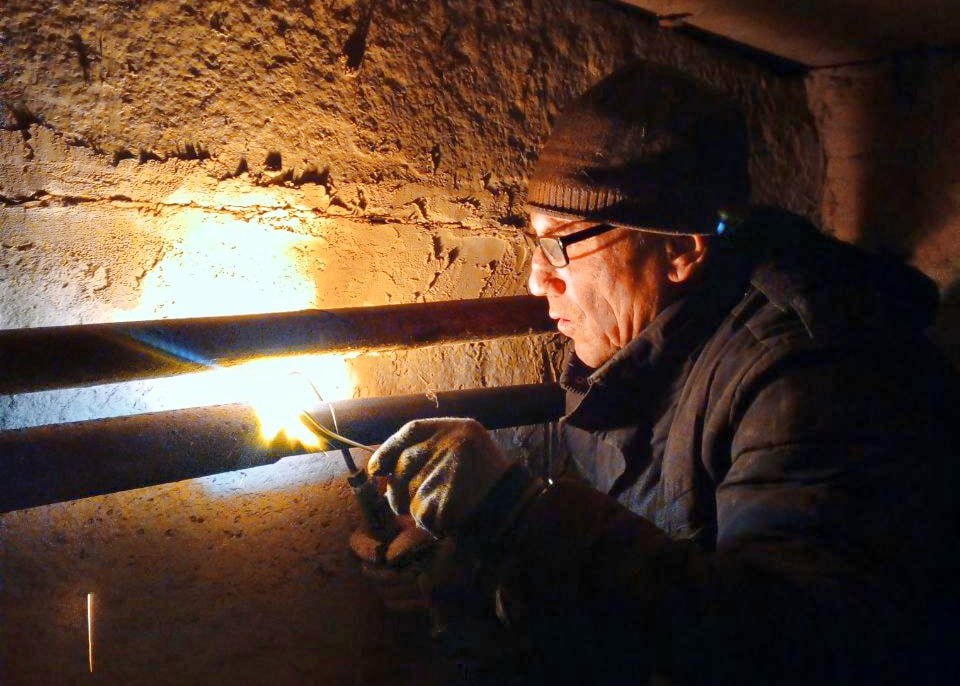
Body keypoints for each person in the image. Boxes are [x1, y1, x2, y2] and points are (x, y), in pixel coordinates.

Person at [359, 62, 958, 684]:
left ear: (680, 249)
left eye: (561, 242)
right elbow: (626, 550)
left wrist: (515, 513)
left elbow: (783, 640)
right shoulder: (638, 352)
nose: (538, 280)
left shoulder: (807, 376)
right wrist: (475, 560)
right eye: (535, 241)